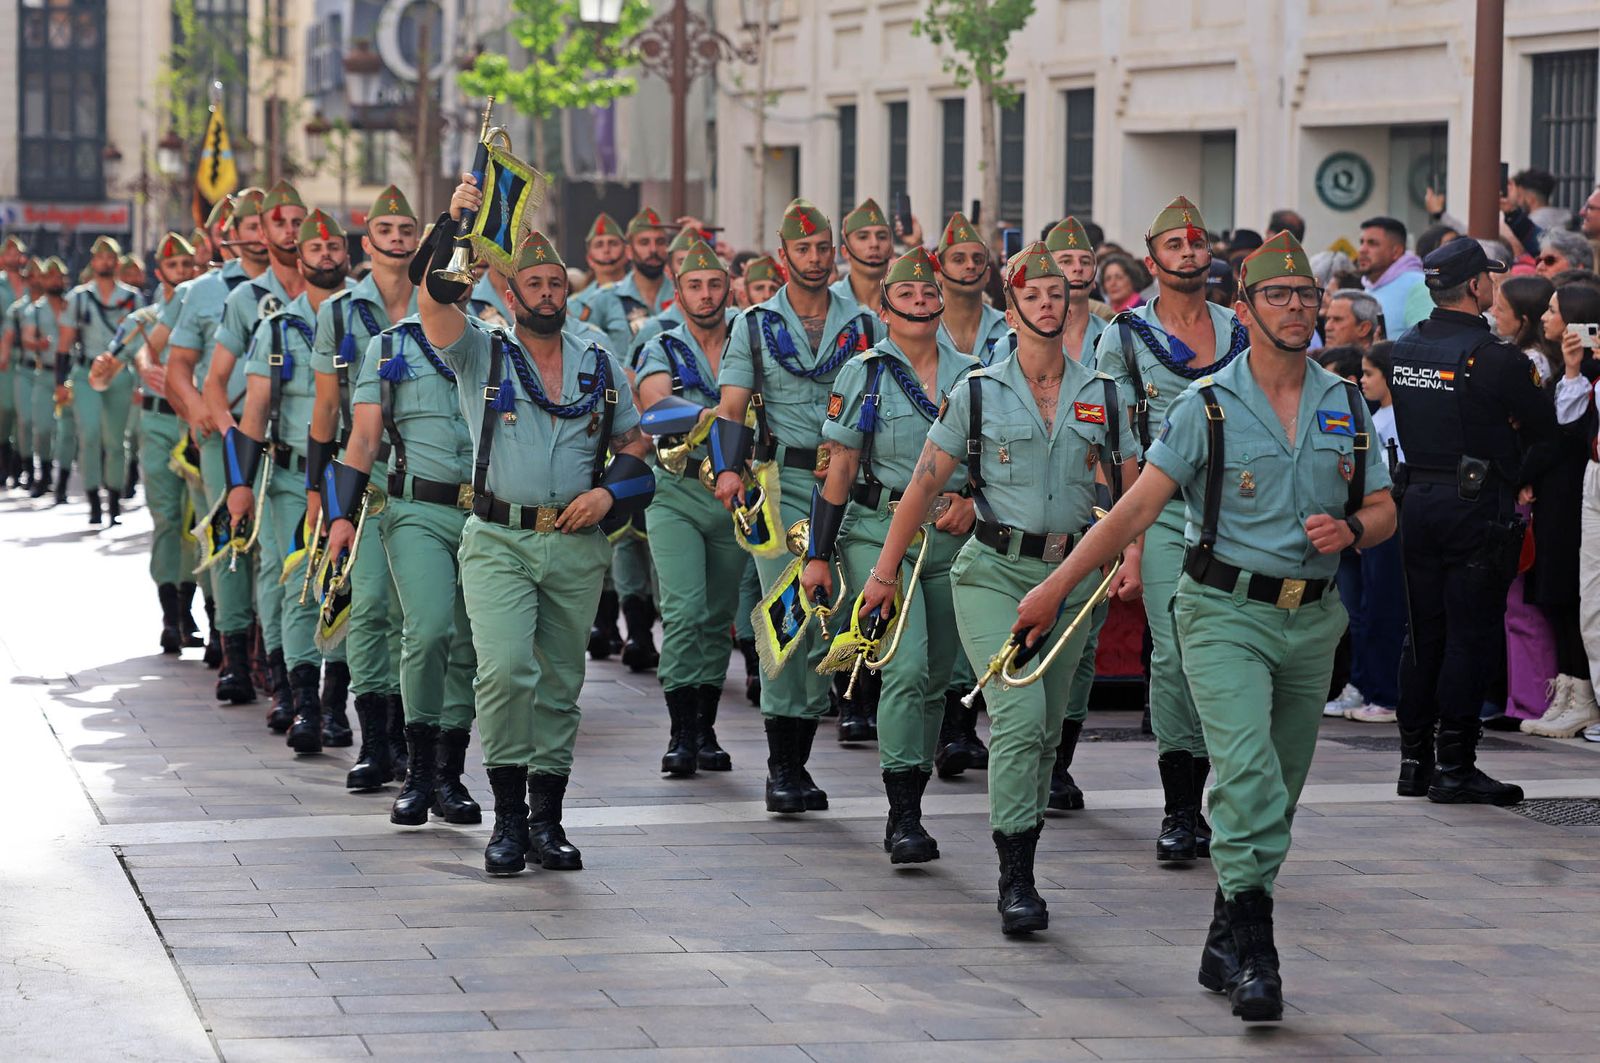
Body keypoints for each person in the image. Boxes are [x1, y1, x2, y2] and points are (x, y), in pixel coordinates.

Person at [1020, 229, 1394, 1020]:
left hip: (1312, 619)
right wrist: (1055, 587)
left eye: (1305, 296)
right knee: (1249, 774)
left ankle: (1224, 929)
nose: (1296, 308)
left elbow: (1385, 504)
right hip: (1221, 612)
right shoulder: (1208, 406)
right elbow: (1135, 509)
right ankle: (1258, 956)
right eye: (1277, 296)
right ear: (1245, 307)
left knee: (1279, 794)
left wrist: (1354, 531)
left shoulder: (1345, 401)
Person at [859, 241, 1137, 930]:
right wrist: (884, 572)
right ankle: (1017, 878)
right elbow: (923, 485)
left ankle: (1023, 843)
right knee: (1014, 715)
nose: (1047, 303)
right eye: (1032, 294)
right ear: (1009, 310)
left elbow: (1130, 486)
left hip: (1070, 573)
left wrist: (1131, 549)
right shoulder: (978, 390)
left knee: (1044, 729)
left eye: (1056, 293)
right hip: (990, 572)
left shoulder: (1102, 392)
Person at [420, 177, 653, 875]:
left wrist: (609, 497)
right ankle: (508, 817)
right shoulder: (481, 352)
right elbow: (434, 301)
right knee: (503, 672)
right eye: (535, 284)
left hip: (577, 544)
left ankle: (548, 820)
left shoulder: (599, 359)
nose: (548, 293)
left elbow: (635, 443)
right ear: (511, 294)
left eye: (557, 283)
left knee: (559, 682)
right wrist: (457, 222)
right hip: (498, 539)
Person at [803, 245, 978, 863]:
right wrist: (817, 555)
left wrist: (975, 504)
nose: (922, 302)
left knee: (936, 679)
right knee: (904, 669)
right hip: (879, 533)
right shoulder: (866, 373)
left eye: (930, 294)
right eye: (907, 295)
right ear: (884, 307)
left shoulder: (974, 373)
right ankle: (901, 815)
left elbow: (992, 462)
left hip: (950, 540)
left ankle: (916, 798)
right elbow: (840, 467)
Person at [710, 197, 879, 814]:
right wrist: (729, 470)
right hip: (781, 483)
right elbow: (732, 408)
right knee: (788, 615)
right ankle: (785, 768)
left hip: (850, 483)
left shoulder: (863, 324)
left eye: (822, 247)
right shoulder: (752, 324)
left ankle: (802, 754)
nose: (814, 258)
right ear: (781, 256)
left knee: (836, 618)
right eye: (801, 249)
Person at [1095, 195, 1250, 862]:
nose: (1188, 253)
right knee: (1174, 652)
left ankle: (1228, 795)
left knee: (1228, 652)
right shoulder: (1124, 336)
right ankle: (1181, 809)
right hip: (1160, 514)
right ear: (1151, 258)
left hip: (1240, 513)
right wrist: (1128, 539)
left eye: (1197, 242)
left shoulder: (1242, 330)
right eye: (1174, 245)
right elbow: (1117, 445)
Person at [1389, 237, 1560, 803]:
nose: (1492, 285)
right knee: (1469, 636)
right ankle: (1455, 767)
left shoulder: (1404, 349)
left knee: (1423, 634)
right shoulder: (1496, 358)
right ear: (1475, 287)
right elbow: (1546, 434)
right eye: (1488, 277)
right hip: (1475, 504)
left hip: (1416, 501)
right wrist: (1514, 472)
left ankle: (1415, 762)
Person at [322, 221, 481, 822]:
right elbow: (362, 439)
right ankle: (412, 770)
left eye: (462, 271)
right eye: (442, 268)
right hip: (412, 508)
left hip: (481, 513)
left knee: (468, 644)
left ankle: (450, 775)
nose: (453, 280)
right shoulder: (389, 346)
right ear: (425, 276)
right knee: (429, 629)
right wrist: (342, 516)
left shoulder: (495, 343)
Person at [225, 208, 353, 756]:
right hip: (289, 478)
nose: (325, 256)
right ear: (297, 258)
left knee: (347, 587)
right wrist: (240, 483)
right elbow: (254, 411)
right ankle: (300, 702)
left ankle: (337, 703)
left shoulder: (368, 319)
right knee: (296, 582)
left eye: (334, 249)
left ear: (347, 255)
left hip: (353, 480)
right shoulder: (276, 325)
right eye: (314, 249)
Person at [308, 185, 420, 761]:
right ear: (367, 242)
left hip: (428, 475)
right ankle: (374, 741)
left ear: (418, 239)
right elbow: (326, 411)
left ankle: (405, 735)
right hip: (365, 473)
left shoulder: (441, 307)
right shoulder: (338, 312)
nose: (396, 240)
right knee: (372, 605)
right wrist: (320, 493)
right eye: (386, 231)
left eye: (406, 231)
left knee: (414, 613)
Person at [633, 240, 744, 777]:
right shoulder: (663, 344)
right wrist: (724, 413)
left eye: (714, 284)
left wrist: (704, 414)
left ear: (729, 288)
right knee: (684, 610)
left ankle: (706, 729)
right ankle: (680, 733)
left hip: (738, 492)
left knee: (719, 616)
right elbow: (656, 405)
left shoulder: (748, 336)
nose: (706, 294)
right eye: (695, 286)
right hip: (677, 491)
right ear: (677, 295)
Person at [161, 187, 270, 709]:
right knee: (229, 540)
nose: (258, 234)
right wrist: (195, 407)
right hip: (224, 434)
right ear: (233, 233)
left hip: (282, 435)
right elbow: (177, 366)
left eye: (265, 224)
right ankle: (233, 653)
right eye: (248, 226)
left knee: (275, 544)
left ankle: (272, 652)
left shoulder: (297, 288)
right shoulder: (202, 291)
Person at [86, 233, 203, 651]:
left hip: (194, 424)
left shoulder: (207, 310)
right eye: (174, 267)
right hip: (156, 424)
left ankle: (191, 611)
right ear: (160, 272)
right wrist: (107, 367)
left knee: (196, 521)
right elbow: (102, 376)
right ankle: (170, 615)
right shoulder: (144, 320)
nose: (183, 273)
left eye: (189, 266)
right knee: (168, 517)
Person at [1519, 284, 1600, 737]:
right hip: (1554, 496)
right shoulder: (1565, 372)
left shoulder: (1588, 374)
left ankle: (1583, 693)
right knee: (1555, 595)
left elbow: (1562, 429)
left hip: (1576, 495)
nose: (1546, 318)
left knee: (1572, 594)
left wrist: (1574, 368)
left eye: (1554, 311)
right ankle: (1569, 688)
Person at [58, 237, 141, 525]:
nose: (105, 262)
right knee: (90, 435)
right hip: (85, 374)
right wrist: (60, 381)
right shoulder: (78, 298)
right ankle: (94, 500)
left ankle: (114, 500)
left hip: (119, 375)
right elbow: (65, 343)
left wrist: (140, 381)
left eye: (110, 257)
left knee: (117, 442)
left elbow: (141, 344)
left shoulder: (133, 298)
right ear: (93, 262)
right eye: (100, 257)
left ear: (117, 262)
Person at [22, 257, 71, 503]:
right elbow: (27, 337)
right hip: (44, 374)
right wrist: (36, 343)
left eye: (59, 276)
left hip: (69, 376)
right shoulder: (35, 310)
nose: (55, 281)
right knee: (42, 428)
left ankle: (61, 483)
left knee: (65, 432)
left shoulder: (72, 305)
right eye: (50, 276)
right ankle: (44, 474)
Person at [936, 212, 1011, 365]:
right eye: (959, 260)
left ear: (987, 274)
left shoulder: (1009, 328)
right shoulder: (921, 328)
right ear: (938, 272)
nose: (971, 266)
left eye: (978, 260)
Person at [1357, 216, 1426, 334]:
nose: (1362, 249)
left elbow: (1425, 343)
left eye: (1372, 243)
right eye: (1361, 242)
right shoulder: (1369, 286)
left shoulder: (1418, 285)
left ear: (1396, 252)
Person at [1492, 275, 1557, 385]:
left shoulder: (1532, 361)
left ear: (1524, 321)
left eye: (1501, 309)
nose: (1494, 313)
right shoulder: (1519, 352)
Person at [830, 198, 893, 311]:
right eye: (863, 237)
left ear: (891, 249)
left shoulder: (906, 301)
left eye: (882, 237)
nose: (874, 244)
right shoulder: (829, 301)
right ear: (845, 252)